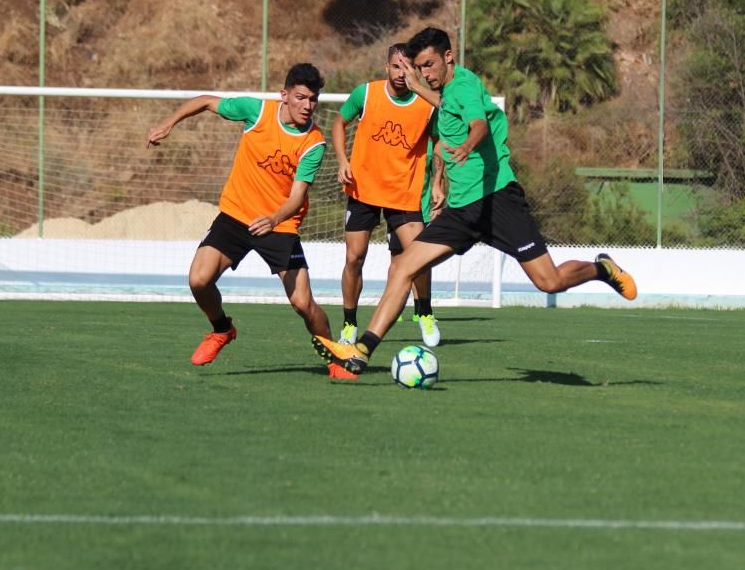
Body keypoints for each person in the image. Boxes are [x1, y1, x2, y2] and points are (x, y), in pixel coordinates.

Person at [312, 27, 638, 376]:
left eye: (430, 65)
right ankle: (362, 351)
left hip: (497, 199)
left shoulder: (465, 85)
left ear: (449, 57)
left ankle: (601, 269)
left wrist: (469, 144)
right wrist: (422, 92)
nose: (425, 73)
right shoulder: (442, 90)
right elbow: (443, 103)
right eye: (419, 67)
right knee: (404, 266)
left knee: (549, 282)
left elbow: (478, 123)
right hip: (462, 210)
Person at [145, 63, 351, 376]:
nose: (308, 106)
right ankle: (222, 329)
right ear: (284, 95)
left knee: (302, 304)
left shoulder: (314, 143)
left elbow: (297, 198)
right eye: (301, 98)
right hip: (236, 215)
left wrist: (273, 218)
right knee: (198, 280)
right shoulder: (256, 112)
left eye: (313, 100)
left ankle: (334, 357)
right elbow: (204, 101)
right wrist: (167, 123)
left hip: (279, 226)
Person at [331, 43, 443, 349]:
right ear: (387, 67)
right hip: (363, 189)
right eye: (396, 66)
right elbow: (339, 122)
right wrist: (342, 160)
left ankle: (424, 313)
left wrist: (437, 183)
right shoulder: (365, 94)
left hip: (404, 193)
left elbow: (439, 142)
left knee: (418, 256)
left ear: (416, 71)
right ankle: (350, 324)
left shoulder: (427, 104)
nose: (400, 73)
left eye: (407, 68)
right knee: (354, 258)